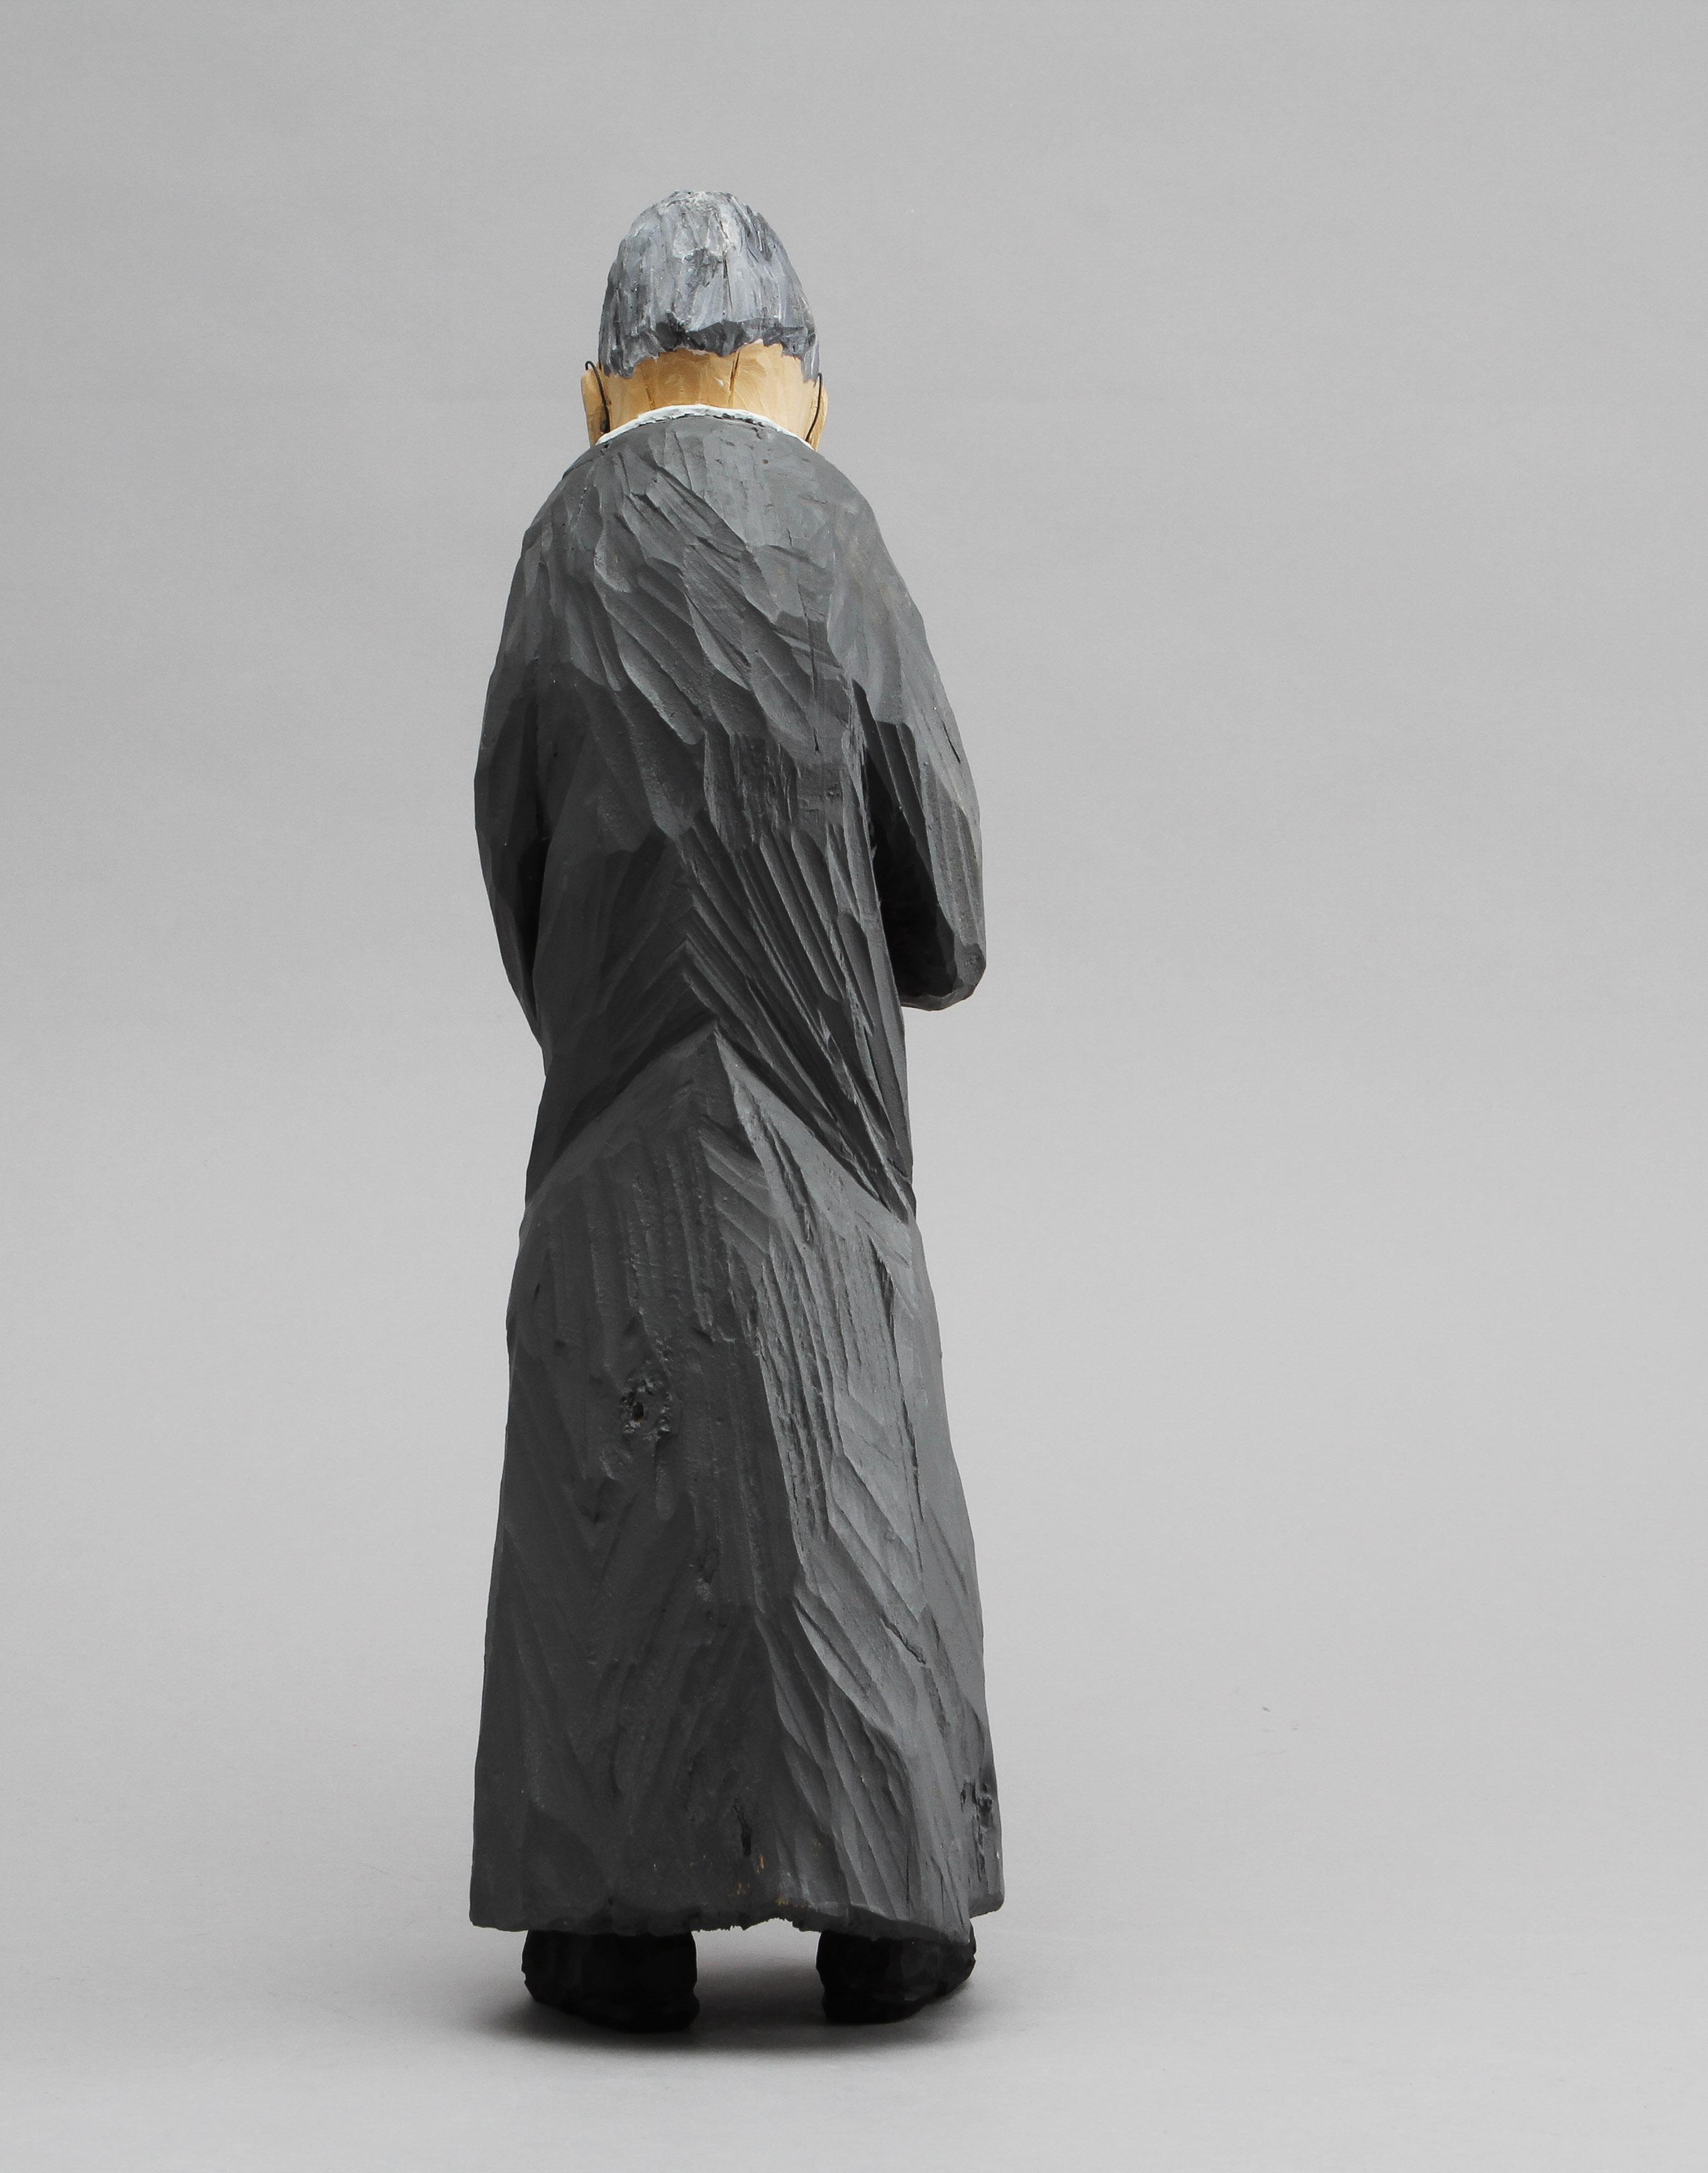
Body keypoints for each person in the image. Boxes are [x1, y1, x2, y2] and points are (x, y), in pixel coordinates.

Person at [470, 192, 1001, 2031]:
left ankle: (608, 1921)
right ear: (815, 398)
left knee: (609, 1488)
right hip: (824, 1150)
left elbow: (515, 853)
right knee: (848, 1473)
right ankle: (893, 1903)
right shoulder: (838, 539)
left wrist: (604, 1012)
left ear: (597, 395)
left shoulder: (561, 550)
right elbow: (945, 909)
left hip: (614, 1136)